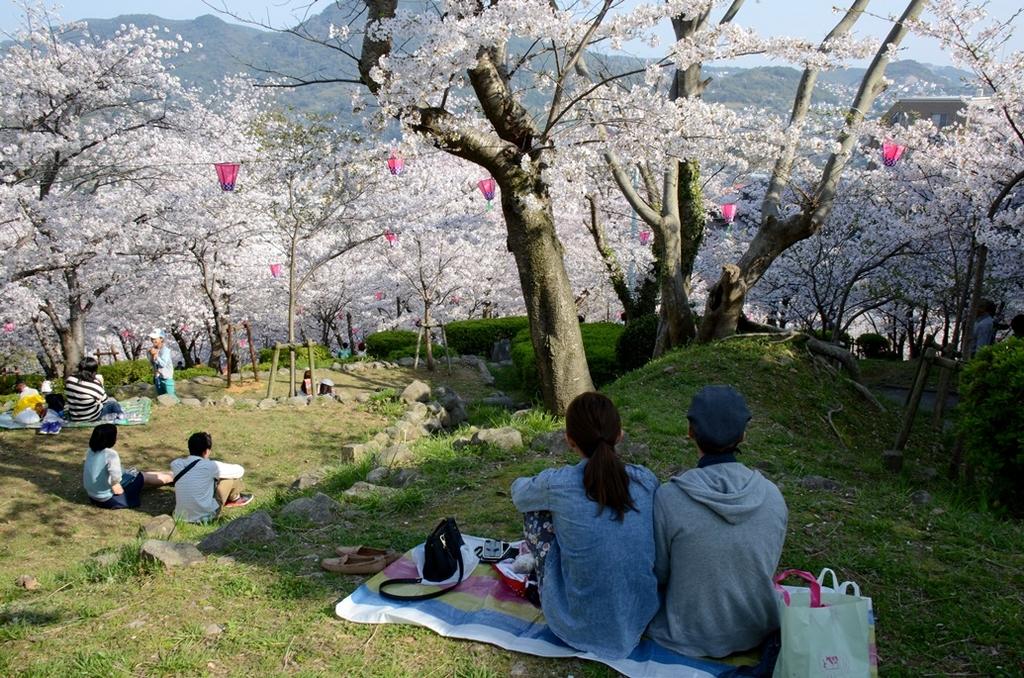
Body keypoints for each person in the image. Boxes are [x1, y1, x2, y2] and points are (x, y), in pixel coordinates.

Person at [510, 392, 659, 659]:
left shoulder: (557, 484)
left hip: (577, 627)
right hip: (640, 616)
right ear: (620, 435)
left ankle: (549, 584)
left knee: (537, 513)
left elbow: (519, 494)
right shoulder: (646, 480)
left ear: (569, 440)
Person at [647, 385, 788, 659]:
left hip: (687, 635)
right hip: (757, 631)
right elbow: (766, 566)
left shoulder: (669, 498)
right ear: (743, 435)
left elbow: (660, 573)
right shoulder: (772, 496)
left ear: (690, 431)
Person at [82, 423, 172, 509]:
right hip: (107, 498)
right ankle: (174, 476)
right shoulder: (110, 454)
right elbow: (115, 475)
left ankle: (170, 474)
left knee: (138, 474)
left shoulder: (90, 451)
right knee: (142, 477)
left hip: (93, 495)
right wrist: (115, 484)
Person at [170, 432, 253, 523]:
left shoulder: (176, 464)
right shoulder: (211, 466)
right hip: (206, 516)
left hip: (180, 516)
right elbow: (240, 471)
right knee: (230, 479)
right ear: (206, 451)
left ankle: (233, 497)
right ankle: (234, 498)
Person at [65, 357, 124, 422]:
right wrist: (100, 382)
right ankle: (120, 415)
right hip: (92, 417)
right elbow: (105, 401)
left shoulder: (70, 379)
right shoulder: (95, 384)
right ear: (93, 372)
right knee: (113, 403)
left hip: (74, 417)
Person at [147, 328, 176, 396]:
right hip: (157, 378)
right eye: (152, 338)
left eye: (155, 338)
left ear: (161, 339)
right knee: (160, 397)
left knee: (171, 397)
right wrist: (150, 354)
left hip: (167, 378)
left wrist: (155, 355)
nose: (153, 340)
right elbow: (152, 363)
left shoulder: (165, 350)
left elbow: (163, 364)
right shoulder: (153, 349)